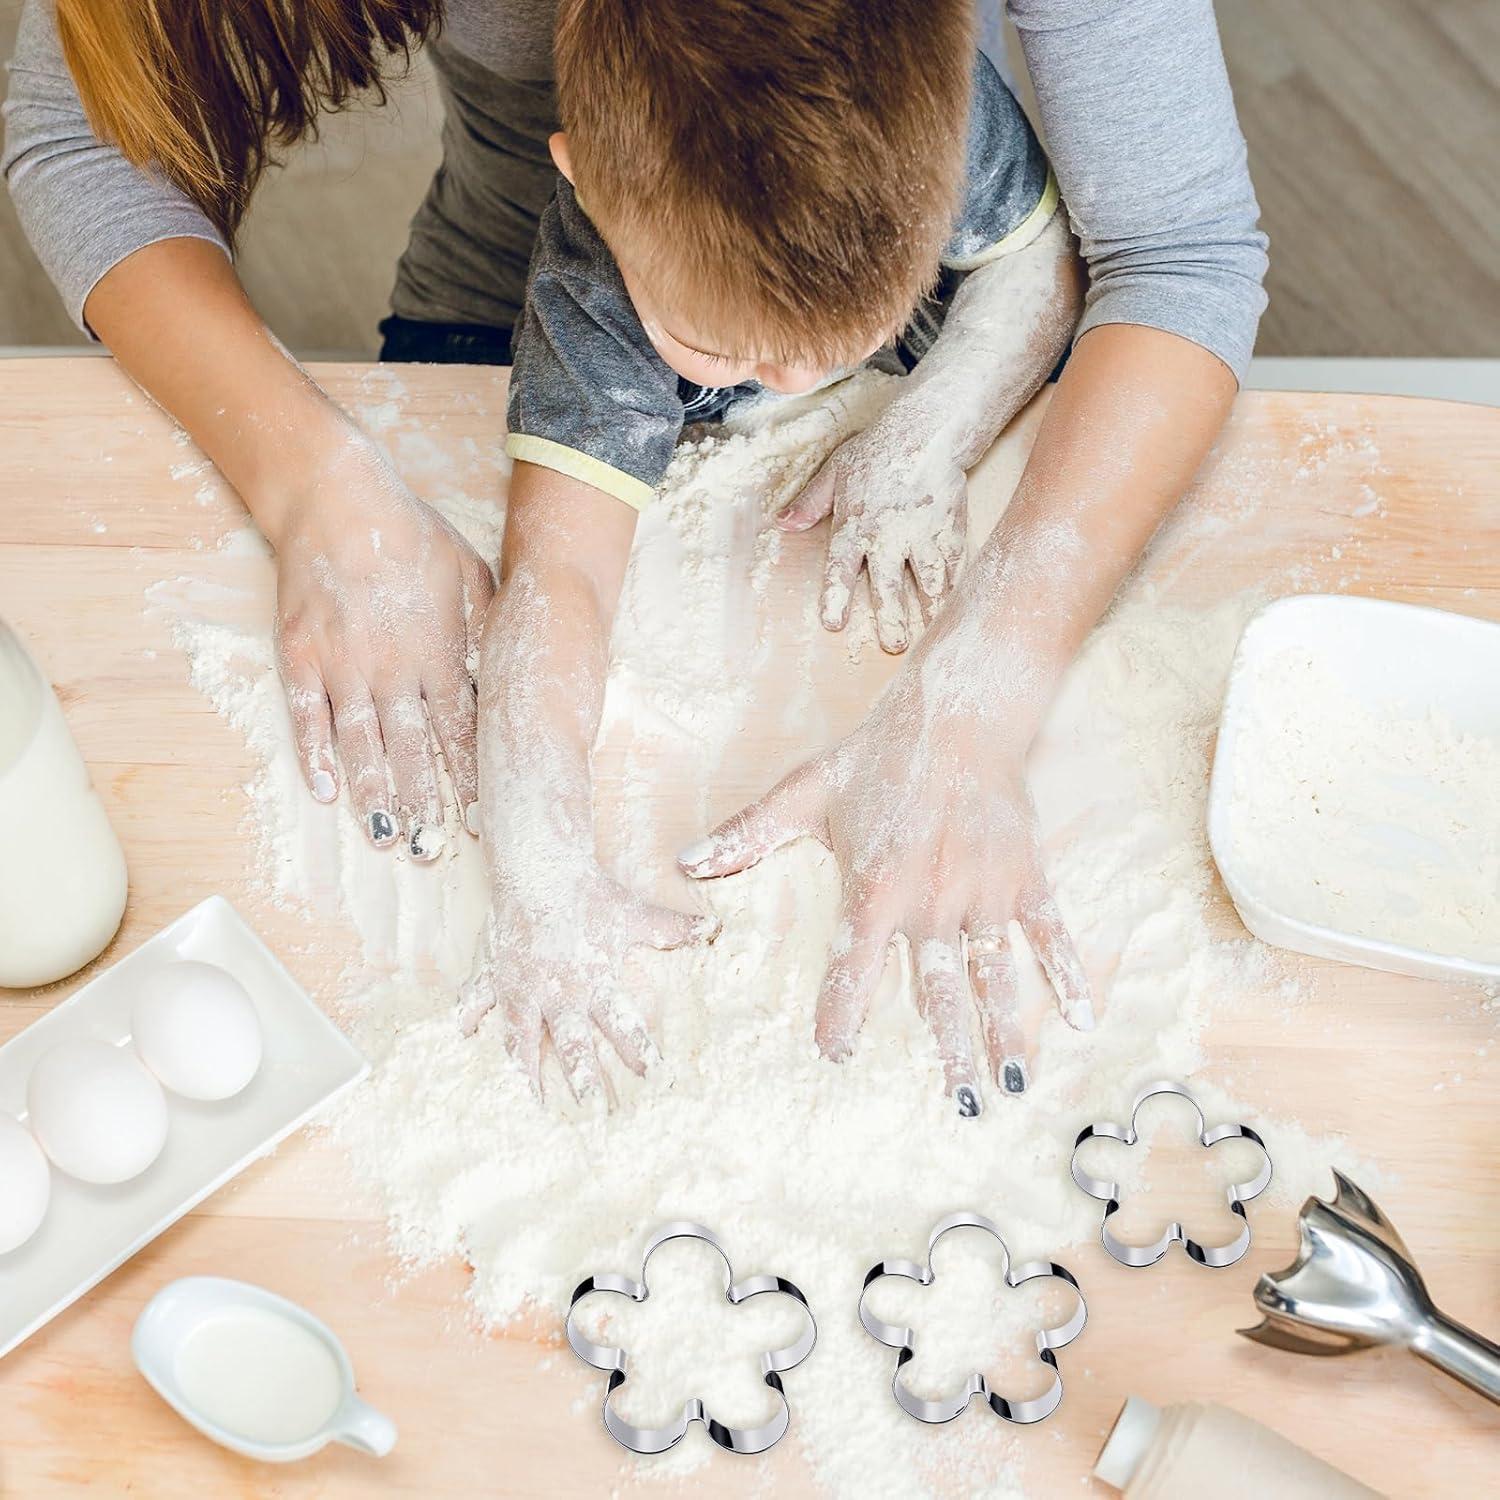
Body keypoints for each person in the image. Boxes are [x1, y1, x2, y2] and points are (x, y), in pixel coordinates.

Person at [4, 0, 1267, 1105]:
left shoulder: (928, 131)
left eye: (822, 346)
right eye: (734, 352)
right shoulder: (598, 298)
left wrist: (935, 446)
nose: (792, 381)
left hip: (845, 287)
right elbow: (557, 583)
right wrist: (545, 884)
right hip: (514, 308)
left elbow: (1097, 255)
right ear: (585, 179)